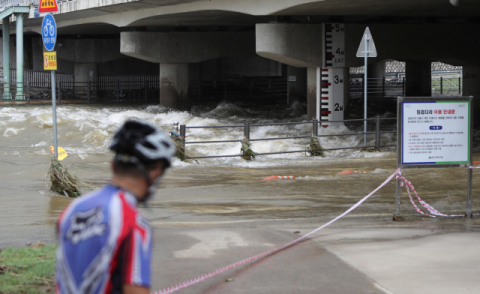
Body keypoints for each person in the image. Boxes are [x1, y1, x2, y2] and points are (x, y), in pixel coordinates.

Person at [55, 120, 175, 294]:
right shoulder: (134, 225)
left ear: (113, 166)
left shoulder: (71, 210)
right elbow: (135, 290)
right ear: (155, 172)